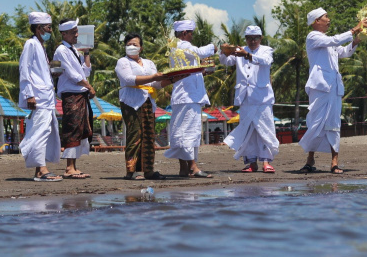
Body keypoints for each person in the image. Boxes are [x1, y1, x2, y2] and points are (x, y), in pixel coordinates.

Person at [298, 8, 367, 174]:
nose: (329, 20)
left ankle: (334, 162)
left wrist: (355, 41)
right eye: (325, 17)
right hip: (320, 86)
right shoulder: (313, 36)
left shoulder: (327, 42)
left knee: (334, 123)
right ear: (316, 21)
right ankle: (310, 159)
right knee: (316, 122)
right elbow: (335, 41)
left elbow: (342, 52)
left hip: (334, 87)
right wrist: (354, 29)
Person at [219, 25, 279, 173]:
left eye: (256, 38)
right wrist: (224, 51)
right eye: (249, 38)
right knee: (249, 131)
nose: (253, 41)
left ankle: (266, 161)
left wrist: (248, 55)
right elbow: (225, 62)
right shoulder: (239, 51)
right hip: (245, 97)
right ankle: (251, 162)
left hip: (262, 98)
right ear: (245, 39)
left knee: (264, 129)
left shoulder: (266, 50)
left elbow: (266, 61)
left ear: (261, 38)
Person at [115, 33, 175, 180]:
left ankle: (148, 170)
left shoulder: (149, 63)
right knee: (134, 134)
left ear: (141, 48)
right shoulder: (123, 62)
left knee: (148, 135)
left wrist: (174, 78)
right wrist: (153, 77)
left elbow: (156, 84)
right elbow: (128, 79)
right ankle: (131, 171)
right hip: (131, 101)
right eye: (129, 44)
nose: (131, 47)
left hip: (148, 101)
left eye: (135, 44)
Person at [164, 20, 217, 178]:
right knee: (189, 132)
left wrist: (203, 72)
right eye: (191, 33)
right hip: (188, 96)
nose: (192, 36)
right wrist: (213, 47)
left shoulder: (176, 47)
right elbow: (200, 53)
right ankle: (193, 166)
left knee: (182, 131)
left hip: (185, 95)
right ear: (184, 33)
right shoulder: (182, 45)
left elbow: (188, 70)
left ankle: (184, 168)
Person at [18, 12, 62, 182]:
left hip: (46, 97)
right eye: (48, 28)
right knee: (39, 132)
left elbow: (39, 72)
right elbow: (24, 69)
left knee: (46, 131)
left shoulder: (40, 46)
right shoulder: (31, 44)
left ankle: (41, 168)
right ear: (38, 28)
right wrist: (29, 94)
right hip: (38, 97)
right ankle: (41, 170)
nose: (50, 31)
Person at [53, 18, 95, 179]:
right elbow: (72, 75)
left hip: (79, 92)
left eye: (77, 31)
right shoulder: (61, 50)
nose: (77, 35)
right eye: (73, 32)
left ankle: (74, 166)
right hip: (71, 93)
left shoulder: (73, 50)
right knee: (72, 127)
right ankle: (69, 167)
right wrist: (89, 86)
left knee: (81, 128)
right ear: (64, 34)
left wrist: (86, 53)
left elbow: (85, 71)